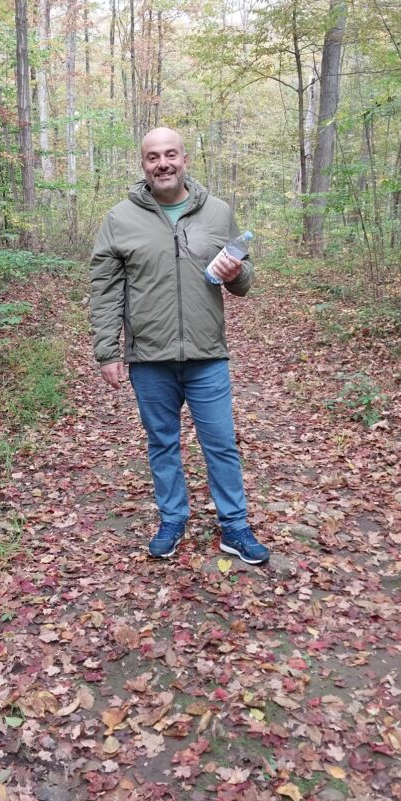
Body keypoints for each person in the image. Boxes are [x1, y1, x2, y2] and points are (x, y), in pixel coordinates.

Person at [89, 127, 270, 565]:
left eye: (170, 155)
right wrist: (107, 352)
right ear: (143, 165)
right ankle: (172, 519)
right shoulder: (119, 219)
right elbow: (105, 289)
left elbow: (244, 282)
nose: (163, 163)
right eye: (153, 157)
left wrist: (235, 273)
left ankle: (235, 527)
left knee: (221, 443)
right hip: (150, 358)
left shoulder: (218, 213)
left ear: (185, 159)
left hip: (208, 355)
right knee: (162, 443)